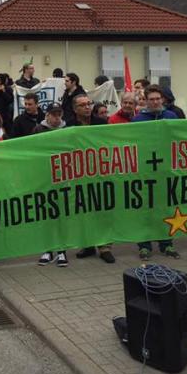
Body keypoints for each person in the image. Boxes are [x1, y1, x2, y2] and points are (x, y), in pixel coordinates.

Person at [132, 85, 180, 259]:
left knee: (166, 209)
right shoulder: (138, 120)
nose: (155, 102)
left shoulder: (171, 117)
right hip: (145, 172)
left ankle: (166, 244)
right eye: (151, 99)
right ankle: (144, 245)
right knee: (145, 210)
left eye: (157, 98)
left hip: (165, 171)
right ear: (146, 101)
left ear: (163, 99)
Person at [67, 94, 116, 263]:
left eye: (89, 104)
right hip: (80, 175)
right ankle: (88, 244)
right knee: (84, 210)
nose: (87, 107)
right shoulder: (69, 126)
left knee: (102, 210)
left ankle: (104, 247)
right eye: (83, 105)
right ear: (75, 109)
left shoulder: (101, 123)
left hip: (100, 172)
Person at [32, 102, 69, 267]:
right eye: (53, 114)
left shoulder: (67, 129)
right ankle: (47, 249)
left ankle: (62, 250)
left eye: (58, 114)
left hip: (63, 177)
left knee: (61, 215)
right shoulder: (38, 130)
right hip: (44, 177)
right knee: (46, 214)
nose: (56, 117)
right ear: (47, 115)